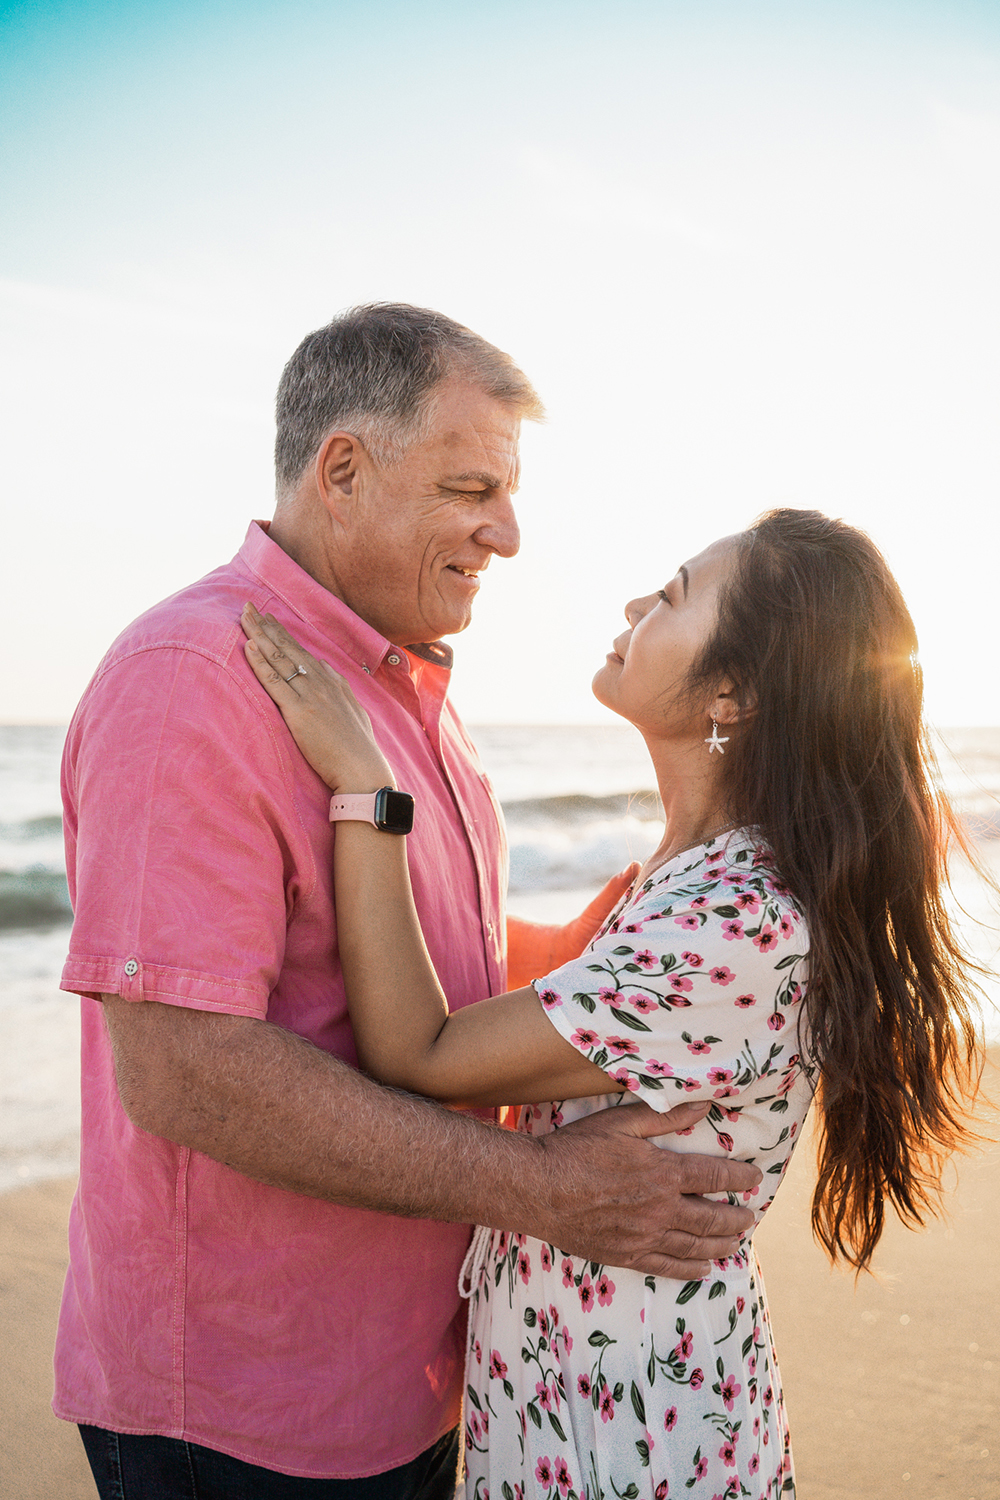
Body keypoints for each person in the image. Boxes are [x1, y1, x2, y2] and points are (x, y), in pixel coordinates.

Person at [56, 303, 762, 1498]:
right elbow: (184, 1070)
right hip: (248, 1409)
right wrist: (545, 1191)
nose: (510, 533)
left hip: (421, 1377)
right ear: (343, 470)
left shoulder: (398, 688)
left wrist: (612, 960)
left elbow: (441, 955)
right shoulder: (196, 681)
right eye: (471, 488)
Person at [239, 508, 984, 1500]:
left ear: (734, 691)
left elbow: (418, 1050)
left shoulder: (737, 922)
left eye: (673, 596)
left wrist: (371, 793)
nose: (635, 604)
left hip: (627, 1421)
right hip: (584, 1385)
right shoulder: (697, 880)